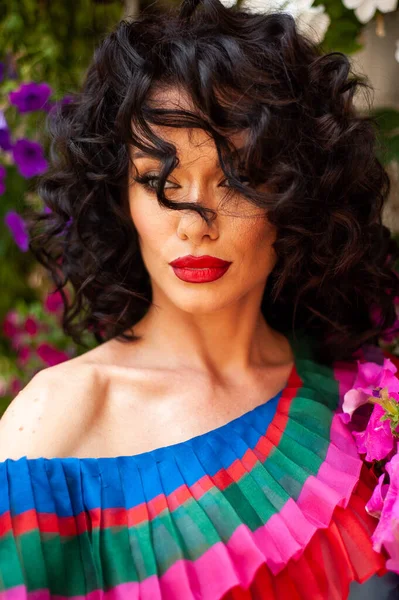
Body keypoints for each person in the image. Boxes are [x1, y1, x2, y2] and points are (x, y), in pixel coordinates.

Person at [0, 0, 399, 597]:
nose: (195, 223)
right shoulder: (56, 428)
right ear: (119, 197)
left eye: (237, 179)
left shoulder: (361, 403)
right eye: (161, 183)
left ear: (295, 196)